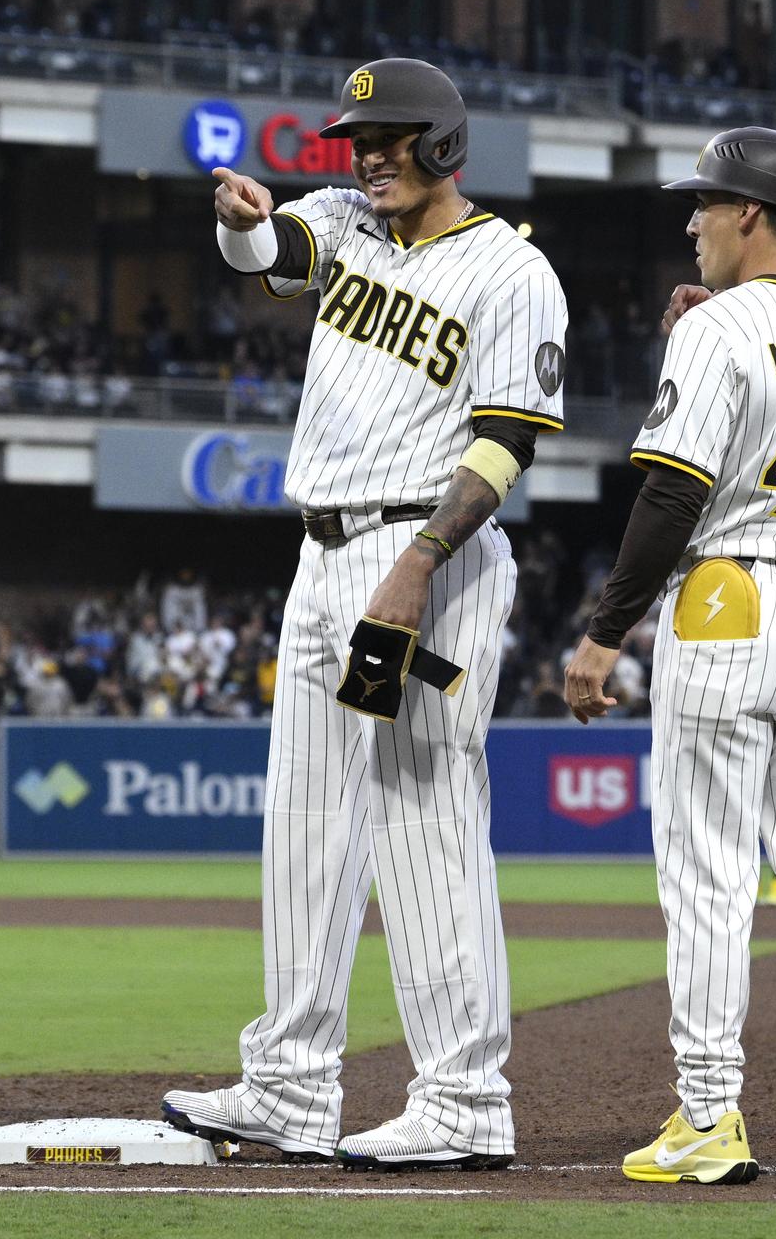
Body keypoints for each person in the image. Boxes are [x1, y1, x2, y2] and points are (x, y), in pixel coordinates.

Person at [162, 58, 567, 1171]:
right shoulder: (346, 221)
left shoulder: (511, 268)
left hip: (425, 553)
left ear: (444, 143)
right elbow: (271, 253)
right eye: (358, 139)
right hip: (321, 548)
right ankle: (289, 1085)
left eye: (389, 137)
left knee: (424, 821)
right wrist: (242, 220)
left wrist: (422, 560)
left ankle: (465, 1098)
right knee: (305, 823)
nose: (370, 156)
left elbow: (509, 440)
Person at [563, 127, 776, 1187]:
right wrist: (711, 324)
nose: (693, 222)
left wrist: (604, 630)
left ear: (751, 213)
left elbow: (675, 492)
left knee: (709, 875)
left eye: (707, 204)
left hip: (727, 600)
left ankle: (710, 1115)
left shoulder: (717, 329)